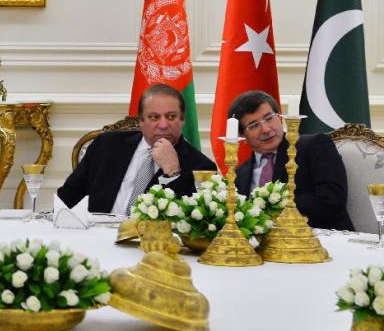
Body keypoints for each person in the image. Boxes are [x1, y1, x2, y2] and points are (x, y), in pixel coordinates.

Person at [57, 83, 216, 214]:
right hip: (97, 236)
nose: (163, 125)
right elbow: (68, 197)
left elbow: (189, 220)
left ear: (182, 120)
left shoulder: (201, 167)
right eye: (154, 117)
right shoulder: (106, 145)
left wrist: (173, 172)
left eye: (171, 117)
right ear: (140, 121)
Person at [229, 90, 353, 231]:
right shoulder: (239, 174)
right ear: (242, 136)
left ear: (280, 118)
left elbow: (332, 200)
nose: (265, 129)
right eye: (254, 125)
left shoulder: (313, 146)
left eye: (269, 118)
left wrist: (273, 208)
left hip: (323, 240)